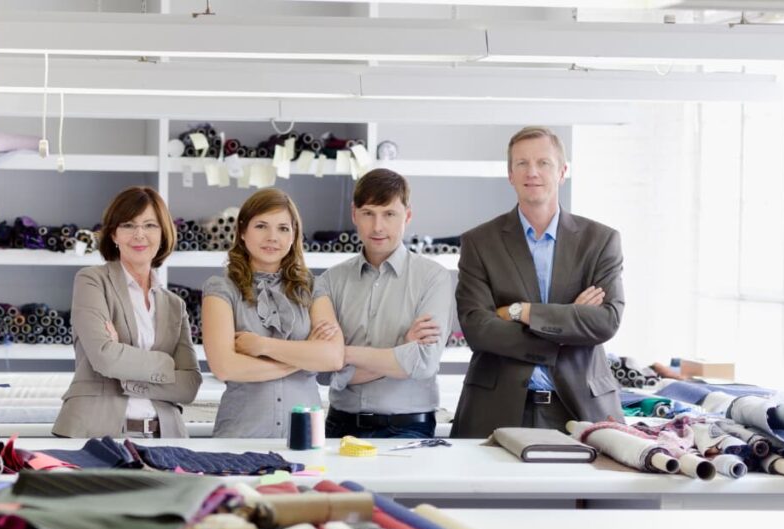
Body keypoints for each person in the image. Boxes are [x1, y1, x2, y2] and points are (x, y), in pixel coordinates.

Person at [450, 126, 625, 438]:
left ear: (562, 172)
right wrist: (567, 326)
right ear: (510, 174)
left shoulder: (600, 241)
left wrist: (522, 312)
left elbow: (605, 322)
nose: (532, 172)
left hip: (578, 407)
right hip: (495, 409)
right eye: (522, 164)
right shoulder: (479, 242)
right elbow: (478, 329)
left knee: (581, 490)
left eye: (543, 163)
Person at [312, 169, 453, 439]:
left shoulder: (433, 278)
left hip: (408, 429)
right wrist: (400, 351)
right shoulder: (329, 282)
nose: (377, 226)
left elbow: (423, 363)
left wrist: (343, 353)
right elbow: (322, 370)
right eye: (368, 213)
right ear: (354, 214)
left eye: (389, 214)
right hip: (338, 426)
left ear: (407, 216)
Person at [54, 186, 202, 438]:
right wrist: (167, 364)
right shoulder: (92, 281)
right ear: (114, 235)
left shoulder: (175, 304)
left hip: (164, 437)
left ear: (163, 233)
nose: (139, 234)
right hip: (96, 434)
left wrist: (125, 371)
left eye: (150, 225)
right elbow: (105, 358)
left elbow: (189, 385)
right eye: (129, 225)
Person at [202, 188, 344, 438]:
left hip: (305, 436)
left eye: (283, 228)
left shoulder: (313, 287)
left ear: (293, 236)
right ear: (243, 232)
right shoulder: (221, 288)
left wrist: (261, 346)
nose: (272, 237)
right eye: (261, 226)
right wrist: (303, 357)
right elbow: (225, 367)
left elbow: (332, 357)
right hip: (240, 434)